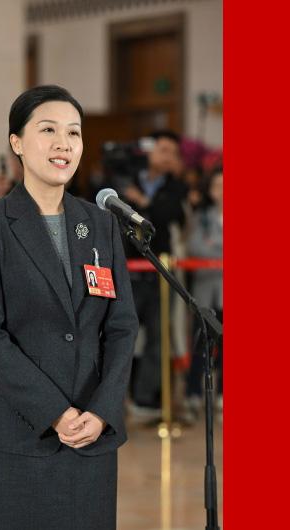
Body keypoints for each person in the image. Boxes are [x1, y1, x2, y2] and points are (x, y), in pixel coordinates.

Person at [0, 85, 139, 530]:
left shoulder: (101, 224)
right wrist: (55, 412)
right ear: (17, 143)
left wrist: (103, 410)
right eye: (48, 130)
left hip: (92, 435)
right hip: (18, 434)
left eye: (73, 133)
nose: (64, 144)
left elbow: (121, 327)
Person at [119, 130, 187, 416]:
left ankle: (145, 399)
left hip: (160, 274)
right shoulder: (127, 180)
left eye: (172, 152)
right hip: (128, 273)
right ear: (150, 151)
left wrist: (143, 203)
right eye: (162, 149)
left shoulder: (176, 187)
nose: (166, 156)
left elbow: (168, 215)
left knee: (159, 339)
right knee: (120, 335)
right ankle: (114, 397)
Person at [184, 169, 223, 416]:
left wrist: (213, 246)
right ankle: (193, 393)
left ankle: (222, 395)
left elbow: (207, 246)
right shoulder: (203, 217)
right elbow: (194, 246)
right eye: (218, 185)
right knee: (201, 343)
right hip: (206, 290)